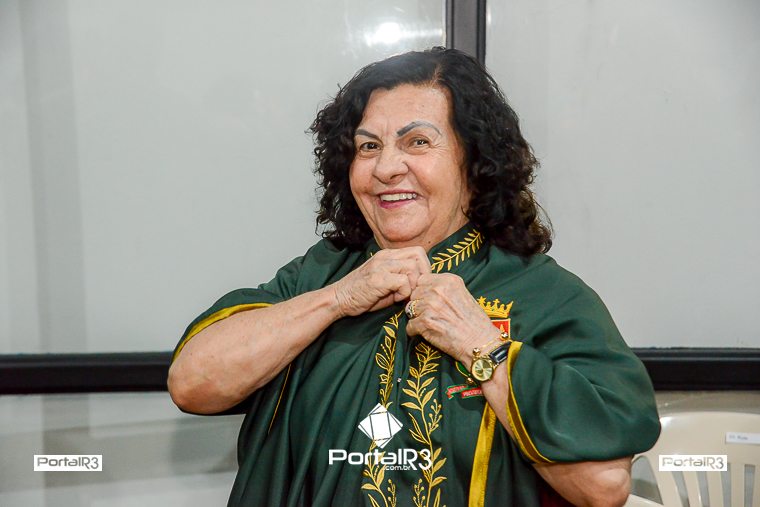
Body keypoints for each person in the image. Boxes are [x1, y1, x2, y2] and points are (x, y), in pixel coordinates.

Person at [168, 47, 660, 507]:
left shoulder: (545, 296)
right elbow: (192, 384)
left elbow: (603, 486)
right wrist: (336, 300)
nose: (386, 167)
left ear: (474, 161)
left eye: (417, 142)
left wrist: (482, 348)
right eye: (368, 146)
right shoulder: (321, 272)